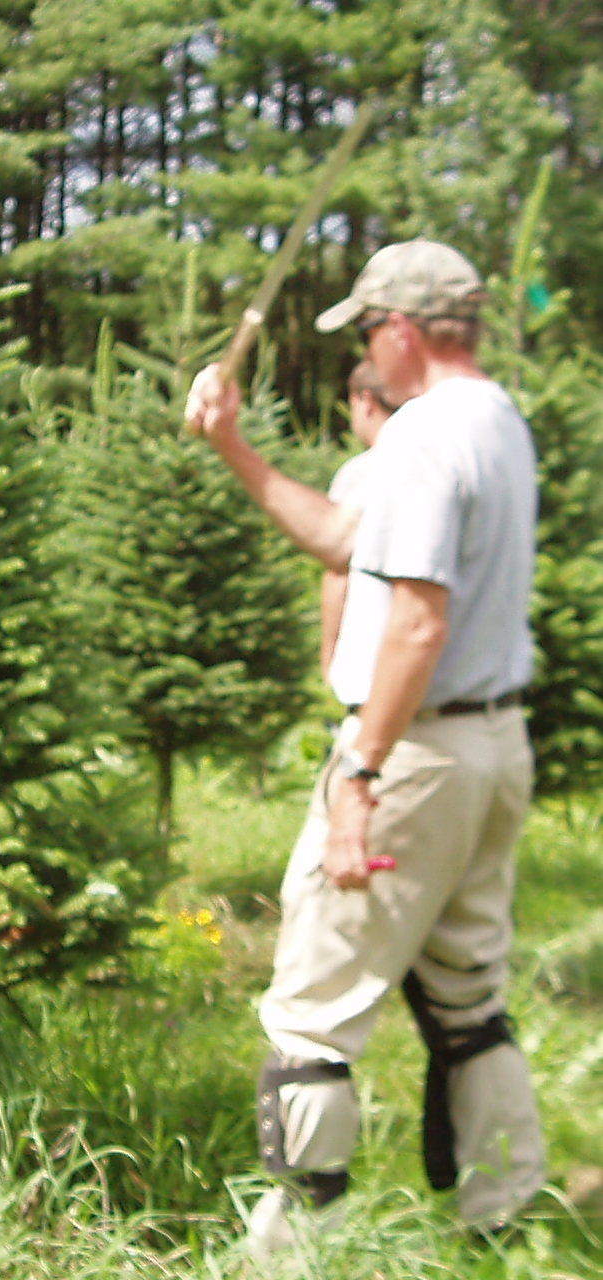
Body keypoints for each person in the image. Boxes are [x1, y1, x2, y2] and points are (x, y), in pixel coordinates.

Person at [183, 240, 546, 1256]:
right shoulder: (497, 420)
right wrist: (236, 448)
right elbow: (350, 538)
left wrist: (359, 776)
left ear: (398, 329)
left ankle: (297, 1246)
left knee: (312, 1009)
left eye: (368, 335)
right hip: (494, 748)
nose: (368, 362)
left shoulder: (425, 434)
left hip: (415, 757)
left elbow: (417, 624)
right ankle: (512, 1212)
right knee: (470, 994)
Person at [320, 361, 396, 678]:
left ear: (365, 402)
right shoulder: (441, 461)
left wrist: (328, 657)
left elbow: (339, 573)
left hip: (368, 658)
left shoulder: (359, 474)